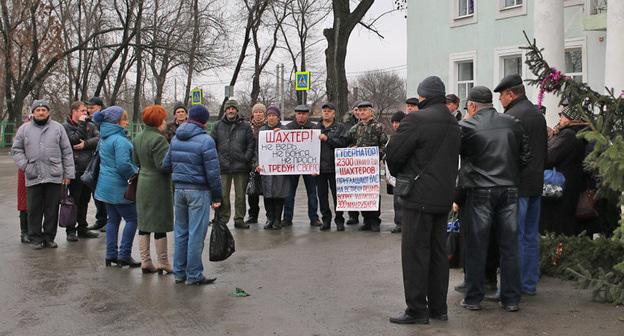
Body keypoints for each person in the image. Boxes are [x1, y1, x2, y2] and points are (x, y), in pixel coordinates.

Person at [386, 76, 460, 324]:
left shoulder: (415, 119)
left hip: (418, 197)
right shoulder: (453, 122)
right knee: (439, 253)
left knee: (415, 253)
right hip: (443, 198)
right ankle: (439, 308)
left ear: (423, 97)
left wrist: (403, 173)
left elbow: (393, 155)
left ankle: (417, 309)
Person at [457, 86, 530, 313]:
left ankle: (474, 298)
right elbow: (526, 156)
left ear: (471, 105)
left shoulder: (467, 126)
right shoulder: (512, 122)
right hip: (508, 189)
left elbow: (458, 156)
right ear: (491, 102)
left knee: (477, 246)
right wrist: (510, 173)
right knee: (509, 246)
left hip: (481, 190)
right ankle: (510, 299)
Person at [494, 74, 547, 296]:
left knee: (512, 239)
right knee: (530, 237)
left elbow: (508, 155)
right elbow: (545, 151)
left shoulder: (512, 117)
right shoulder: (537, 114)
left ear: (510, 94)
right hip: (535, 184)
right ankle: (528, 284)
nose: (499, 101)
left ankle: (511, 287)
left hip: (517, 187)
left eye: (501, 96)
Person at [162, 104, 222, 285]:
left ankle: (179, 273)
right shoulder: (206, 141)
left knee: (181, 233)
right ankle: (194, 274)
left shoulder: (176, 138)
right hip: (199, 191)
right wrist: (217, 196)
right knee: (196, 234)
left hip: (179, 190)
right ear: (204, 121)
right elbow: (213, 173)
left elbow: (165, 165)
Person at [11, 99, 75, 249]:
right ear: (32, 113)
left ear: (48, 112)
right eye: (37, 110)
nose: (41, 112)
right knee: (33, 209)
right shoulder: (24, 129)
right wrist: (26, 166)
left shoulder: (58, 128)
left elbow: (67, 152)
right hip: (33, 175)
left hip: (54, 175)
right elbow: (16, 150)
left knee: (52, 209)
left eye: (43, 110)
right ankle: (35, 238)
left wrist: (68, 174)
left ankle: (49, 237)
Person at [92, 106, 140, 267]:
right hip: (119, 187)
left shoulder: (104, 137)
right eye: (124, 119)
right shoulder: (120, 140)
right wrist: (135, 173)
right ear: (116, 122)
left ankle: (110, 254)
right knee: (132, 219)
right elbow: (123, 165)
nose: (127, 122)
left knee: (112, 220)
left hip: (105, 186)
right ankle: (124, 254)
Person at [132, 105, 174, 274]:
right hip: (158, 184)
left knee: (144, 223)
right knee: (159, 223)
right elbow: (163, 165)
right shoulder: (159, 140)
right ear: (158, 122)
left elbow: (135, 161)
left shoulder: (138, 137)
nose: (165, 122)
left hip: (143, 182)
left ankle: (145, 260)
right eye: (163, 119)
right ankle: (163, 261)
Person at [540, 106, 588, 236]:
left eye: (562, 115)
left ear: (570, 118)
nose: (560, 118)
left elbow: (549, 157)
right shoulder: (580, 133)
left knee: (556, 227)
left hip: (560, 188)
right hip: (571, 186)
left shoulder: (568, 134)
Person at [211, 98, 255, 229]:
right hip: (223, 166)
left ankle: (239, 218)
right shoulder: (217, 125)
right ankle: (223, 218)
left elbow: (251, 144)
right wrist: (217, 159)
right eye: (229, 108)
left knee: (240, 195)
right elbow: (212, 144)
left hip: (241, 166)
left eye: (233, 108)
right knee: (223, 194)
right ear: (225, 110)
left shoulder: (245, 126)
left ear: (236, 110)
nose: (231, 110)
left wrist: (246, 157)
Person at [347, 101, 388, 232]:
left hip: (372, 166)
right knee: (362, 193)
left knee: (374, 192)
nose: (361, 112)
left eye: (364, 110)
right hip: (359, 167)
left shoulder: (378, 127)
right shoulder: (355, 128)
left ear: (371, 111)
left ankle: (375, 220)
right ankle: (366, 220)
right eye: (360, 110)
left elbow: (384, 145)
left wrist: (377, 156)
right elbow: (348, 144)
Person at [62, 101, 100, 241]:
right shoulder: (65, 127)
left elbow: (99, 138)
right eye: (83, 110)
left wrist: (86, 144)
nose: (86, 113)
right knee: (73, 201)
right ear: (74, 111)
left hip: (87, 169)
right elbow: (73, 140)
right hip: (74, 169)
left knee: (85, 200)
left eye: (86, 110)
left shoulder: (91, 125)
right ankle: (70, 230)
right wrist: (82, 125)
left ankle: (82, 228)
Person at [283, 104, 321, 227]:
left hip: (309, 166)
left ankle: (314, 217)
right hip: (292, 166)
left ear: (307, 115)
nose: (301, 116)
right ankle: (287, 218)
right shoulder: (288, 128)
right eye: (299, 113)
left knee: (312, 193)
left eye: (304, 114)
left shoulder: (314, 128)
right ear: (295, 114)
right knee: (289, 193)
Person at [315, 103, 348, 231]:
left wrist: (328, 139)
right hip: (319, 169)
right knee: (322, 197)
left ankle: (339, 220)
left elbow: (343, 143)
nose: (326, 113)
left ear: (334, 113)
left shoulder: (340, 128)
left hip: (336, 168)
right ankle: (326, 220)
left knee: (337, 196)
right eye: (324, 111)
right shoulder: (316, 128)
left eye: (329, 111)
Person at [259, 106, 291, 230]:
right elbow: (257, 149)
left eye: (273, 115)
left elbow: (291, 147)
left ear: (278, 117)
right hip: (266, 168)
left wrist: (282, 134)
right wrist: (256, 164)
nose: (271, 118)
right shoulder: (262, 131)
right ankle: (269, 218)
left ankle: (277, 219)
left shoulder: (284, 130)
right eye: (269, 115)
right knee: (267, 195)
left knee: (279, 194)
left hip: (280, 169)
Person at [85, 96, 108, 232]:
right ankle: (101, 219)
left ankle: (107, 220)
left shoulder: (104, 121)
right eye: (88, 108)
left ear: (99, 108)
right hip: (92, 160)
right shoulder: (88, 121)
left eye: (92, 108)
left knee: (103, 192)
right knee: (95, 192)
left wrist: (86, 143)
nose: (89, 110)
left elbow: (100, 138)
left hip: (102, 160)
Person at [246, 103, 266, 225]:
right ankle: (253, 215)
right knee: (252, 192)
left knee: (268, 190)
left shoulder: (269, 127)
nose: (258, 114)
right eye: (256, 112)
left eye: (261, 112)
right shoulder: (247, 127)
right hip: (252, 164)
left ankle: (270, 215)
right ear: (252, 114)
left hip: (266, 164)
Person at [387, 110, 406, 234]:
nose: (395, 125)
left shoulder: (407, 135)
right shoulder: (392, 137)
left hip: (405, 173)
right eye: (393, 122)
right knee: (397, 201)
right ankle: (399, 223)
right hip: (395, 174)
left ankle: (405, 223)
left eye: (397, 122)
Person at [344, 101, 361, 226]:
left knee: (366, 190)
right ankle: (353, 215)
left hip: (366, 163)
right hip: (351, 163)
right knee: (352, 189)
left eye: (360, 109)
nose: (358, 112)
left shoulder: (375, 125)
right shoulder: (346, 124)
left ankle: (369, 217)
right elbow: (344, 140)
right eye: (356, 109)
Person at [17, 169, 29, 243]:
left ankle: (35, 231)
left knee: (38, 203)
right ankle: (24, 232)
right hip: (25, 170)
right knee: (24, 203)